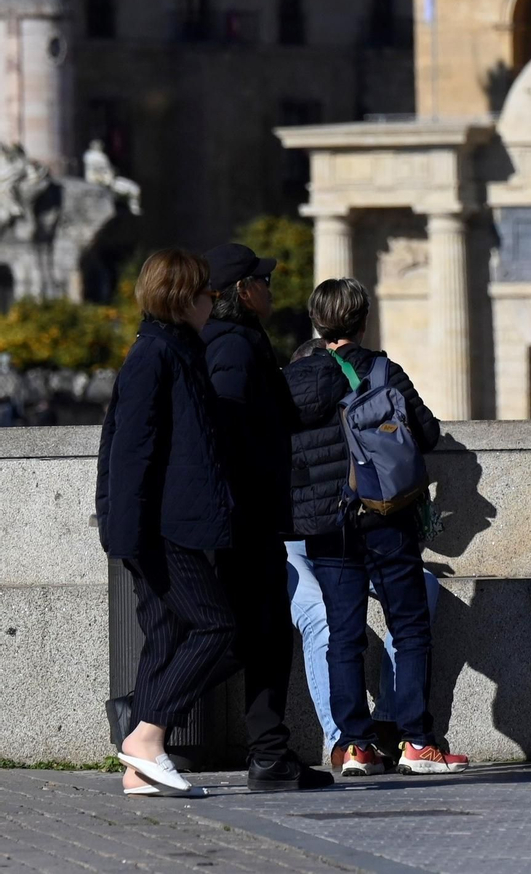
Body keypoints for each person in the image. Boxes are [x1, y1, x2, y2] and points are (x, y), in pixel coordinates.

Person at [284, 277, 466, 777]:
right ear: (362, 320)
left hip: (323, 524)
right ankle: (416, 742)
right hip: (383, 516)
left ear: (316, 322)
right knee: (408, 627)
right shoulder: (383, 371)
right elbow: (425, 434)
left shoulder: (289, 380)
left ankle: (355, 746)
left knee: (343, 634)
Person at [96, 250, 234, 798]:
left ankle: (139, 768)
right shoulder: (154, 354)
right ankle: (147, 737)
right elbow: (131, 451)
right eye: (207, 293)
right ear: (183, 298)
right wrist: (127, 536)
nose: (213, 302)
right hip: (159, 526)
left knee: (167, 632)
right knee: (215, 625)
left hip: (160, 523)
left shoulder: (174, 350)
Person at [195, 243, 332, 791]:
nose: (271, 290)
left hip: (249, 515)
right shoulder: (233, 344)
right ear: (242, 293)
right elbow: (225, 423)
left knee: (261, 634)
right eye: (263, 281)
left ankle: (270, 752)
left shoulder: (237, 341)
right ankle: (149, 711)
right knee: (255, 634)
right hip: (245, 518)